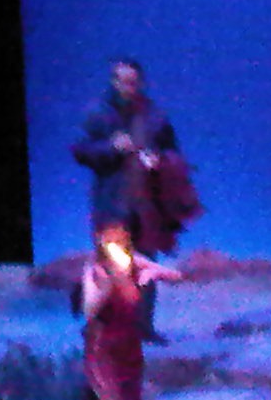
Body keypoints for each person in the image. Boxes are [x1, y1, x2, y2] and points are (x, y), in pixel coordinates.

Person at [72, 58, 199, 341]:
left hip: (145, 207)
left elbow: (174, 153)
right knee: (110, 270)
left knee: (145, 269)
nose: (127, 86)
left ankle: (143, 329)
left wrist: (159, 160)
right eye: (121, 80)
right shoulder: (99, 115)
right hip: (112, 206)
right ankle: (104, 330)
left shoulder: (155, 117)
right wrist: (111, 147)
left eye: (132, 81)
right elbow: (81, 150)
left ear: (140, 83)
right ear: (113, 82)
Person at [79, 222, 183, 400]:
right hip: (102, 352)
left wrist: (156, 271)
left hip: (129, 349)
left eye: (119, 243)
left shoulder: (134, 262)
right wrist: (107, 287)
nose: (115, 249)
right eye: (109, 244)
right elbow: (89, 310)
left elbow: (176, 275)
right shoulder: (95, 271)